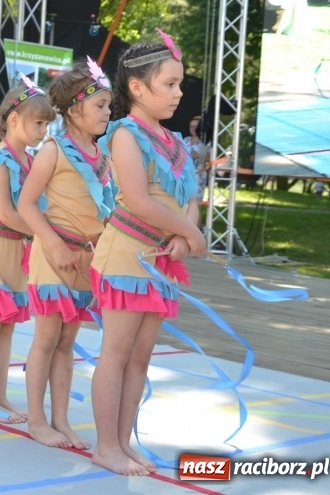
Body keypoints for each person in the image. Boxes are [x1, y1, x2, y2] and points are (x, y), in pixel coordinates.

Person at [89, 29, 204, 476]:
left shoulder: (174, 141)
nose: (178, 93)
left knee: (140, 357)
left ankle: (122, 440)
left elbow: (189, 195)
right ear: (137, 88)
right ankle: (105, 445)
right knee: (115, 354)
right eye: (169, 84)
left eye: (179, 84)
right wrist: (190, 236)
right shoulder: (125, 134)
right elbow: (138, 200)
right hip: (127, 258)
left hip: (161, 262)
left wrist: (184, 234)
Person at [17, 59, 116, 449]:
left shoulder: (101, 154)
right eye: (101, 106)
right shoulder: (53, 151)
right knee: (45, 339)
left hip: (86, 262)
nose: (109, 112)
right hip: (53, 256)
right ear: (75, 110)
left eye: (109, 105)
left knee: (66, 341)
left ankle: (60, 418)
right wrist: (55, 244)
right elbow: (26, 204)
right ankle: (36, 420)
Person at [0, 79, 56, 424]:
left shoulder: (33, 159)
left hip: (17, 247)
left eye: (47, 124)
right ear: (14, 119)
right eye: (39, 123)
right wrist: (46, 235)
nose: (44, 130)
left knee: (6, 325)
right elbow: (6, 212)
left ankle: (1, 396)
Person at [186, 115, 210, 205]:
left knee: (195, 205)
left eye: (195, 126)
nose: (193, 129)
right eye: (191, 126)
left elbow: (208, 158)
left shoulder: (204, 141)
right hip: (184, 176)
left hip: (198, 176)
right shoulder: (186, 140)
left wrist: (196, 155)